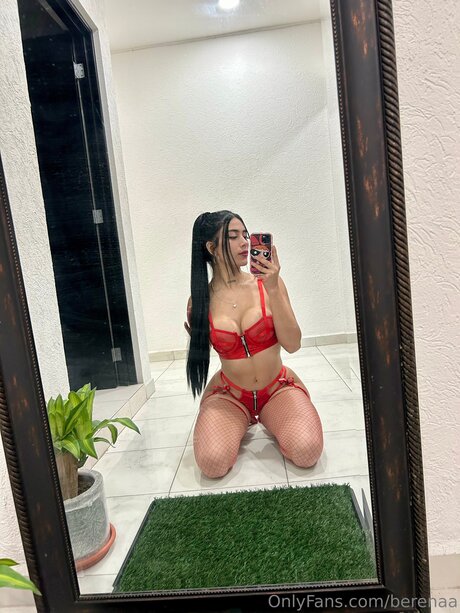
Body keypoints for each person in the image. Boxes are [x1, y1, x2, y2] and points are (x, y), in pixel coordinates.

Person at [185, 210, 323, 478]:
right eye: (233, 236)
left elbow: (293, 344)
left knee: (307, 452)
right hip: (230, 394)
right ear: (211, 248)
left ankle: (273, 419)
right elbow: (204, 354)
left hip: (277, 389)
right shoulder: (199, 302)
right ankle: (240, 422)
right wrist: (199, 336)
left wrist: (273, 289)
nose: (245, 243)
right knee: (212, 464)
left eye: (246, 235)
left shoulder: (268, 285)